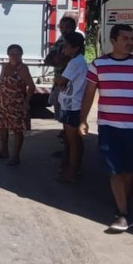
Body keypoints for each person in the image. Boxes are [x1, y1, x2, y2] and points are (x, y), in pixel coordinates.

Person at [80, 24, 133, 232]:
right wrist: (83, 120)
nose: (130, 42)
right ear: (113, 41)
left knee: (128, 170)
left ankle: (123, 200)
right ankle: (123, 213)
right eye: (125, 38)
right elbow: (89, 94)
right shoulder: (98, 65)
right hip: (108, 127)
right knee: (114, 170)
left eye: (132, 39)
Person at [0, 43, 36, 165]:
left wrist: (26, 102)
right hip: (3, 103)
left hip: (17, 105)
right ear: (8, 55)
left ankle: (15, 157)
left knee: (17, 130)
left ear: (21, 55)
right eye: (12, 54)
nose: (14, 56)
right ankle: (4, 150)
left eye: (17, 54)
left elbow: (31, 86)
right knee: (2, 127)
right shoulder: (4, 67)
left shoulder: (22, 69)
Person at [55, 31, 88, 182]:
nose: (63, 49)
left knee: (72, 141)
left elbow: (61, 81)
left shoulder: (75, 62)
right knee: (74, 140)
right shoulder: (79, 61)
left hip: (71, 105)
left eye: (66, 46)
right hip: (73, 103)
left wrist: (58, 80)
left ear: (75, 48)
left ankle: (72, 172)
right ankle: (74, 168)